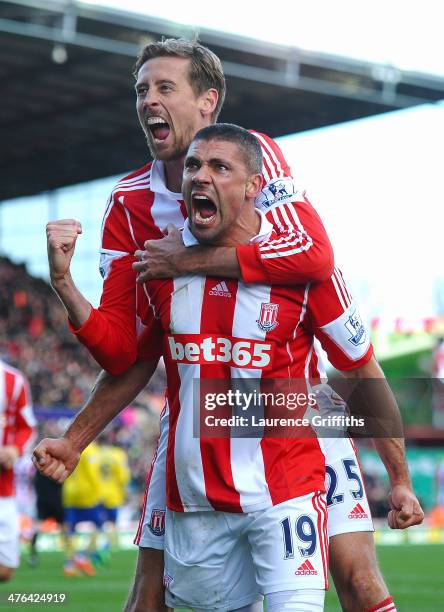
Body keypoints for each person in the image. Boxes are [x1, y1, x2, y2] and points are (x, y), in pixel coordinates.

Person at [33, 40, 422, 611]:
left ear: (208, 102)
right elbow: (126, 354)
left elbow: (313, 255)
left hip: (291, 411)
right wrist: (66, 290)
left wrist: (185, 260)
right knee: (148, 595)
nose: (149, 101)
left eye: (166, 88)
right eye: (142, 89)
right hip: (198, 414)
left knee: (359, 581)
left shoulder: (258, 155)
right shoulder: (128, 204)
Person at [0, 359, 36, 582]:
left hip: (4, 489)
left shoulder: (12, 381)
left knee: (6, 570)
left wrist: (15, 449)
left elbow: (27, 427)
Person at [62, 441, 103, 576]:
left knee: (70, 528)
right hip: (86, 494)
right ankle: (83, 557)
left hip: (69, 492)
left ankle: (69, 563)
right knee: (98, 525)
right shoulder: (91, 449)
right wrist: (98, 493)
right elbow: (93, 473)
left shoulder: (69, 446)